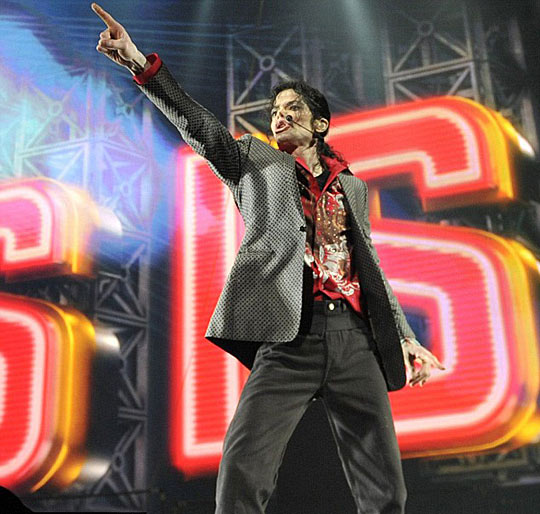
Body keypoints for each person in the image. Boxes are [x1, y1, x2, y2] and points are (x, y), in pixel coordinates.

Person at [92, 3, 444, 513]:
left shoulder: (353, 187)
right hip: (288, 337)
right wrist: (138, 62)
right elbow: (199, 126)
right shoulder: (253, 162)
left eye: (292, 108)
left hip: (354, 340)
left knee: (386, 487)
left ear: (320, 123)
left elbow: (369, 267)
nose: (279, 115)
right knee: (243, 468)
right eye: (275, 110)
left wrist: (405, 337)